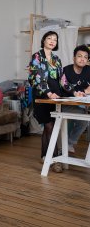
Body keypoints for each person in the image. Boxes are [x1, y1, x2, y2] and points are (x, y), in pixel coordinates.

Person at [28, 31, 64, 172]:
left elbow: (61, 80)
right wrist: (48, 93)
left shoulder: (57, 59)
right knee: (49, 126)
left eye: (54, 39)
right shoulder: (37, 56)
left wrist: (74, 92)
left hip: (56, 96)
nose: (52, 41)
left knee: (51, 126)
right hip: (43, 96)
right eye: (49, 38)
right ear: (43, 40)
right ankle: (54, 159)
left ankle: (44, 155)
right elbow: (36, 78)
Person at [61, 44, 90, 153]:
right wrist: (75, 93)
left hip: (83, 103)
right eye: (79, 56)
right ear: (74, 58)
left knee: (83, 119)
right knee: (83, 121)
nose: (82, 59)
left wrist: (85, 91)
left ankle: (68, 143)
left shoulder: (88, 70)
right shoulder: (66, 70)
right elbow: (63, 85)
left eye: (85, 57)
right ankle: (68, 143)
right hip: (67, 104)